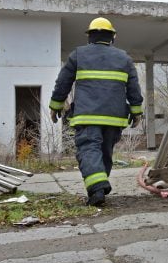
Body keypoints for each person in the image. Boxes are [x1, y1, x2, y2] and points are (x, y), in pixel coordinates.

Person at [49, 17, 144, 206]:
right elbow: (134, 88)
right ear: (112, 37)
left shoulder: (78, 55)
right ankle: (99, 187)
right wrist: (137, 112)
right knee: (104, 152)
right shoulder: (124, 58)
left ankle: (97, 187)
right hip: (114, 118)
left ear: (90, 37)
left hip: (87, 115)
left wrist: (55, 106)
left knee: (89, 149)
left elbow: (63, 83)